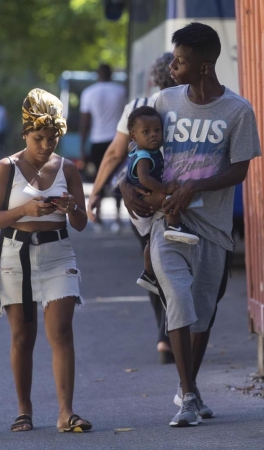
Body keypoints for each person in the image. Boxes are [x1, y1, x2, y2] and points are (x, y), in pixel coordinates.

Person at [121, 22, 261, 427]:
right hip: (168, 222)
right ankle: (186, 399)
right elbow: (137, 154)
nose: (173, 68)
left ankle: (190, 390)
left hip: (212, 228)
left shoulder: (237, 111)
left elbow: (239, 171)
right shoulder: (164, 100)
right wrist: (124, 188)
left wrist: (197, 184)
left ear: (204, 67)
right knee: (179, 300)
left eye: (181, 62)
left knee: (202, 312)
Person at [0, 88, 91, 433]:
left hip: (58, 252)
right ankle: (24, 409)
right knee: (22, 336)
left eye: (53, 137)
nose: (46, 145)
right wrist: (25, 210)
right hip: (15, 256)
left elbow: (81, 223)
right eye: (39, 138)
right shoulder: (7, 168)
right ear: (25, 134)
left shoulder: (68, 168)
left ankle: (65, 412)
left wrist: (70, 206)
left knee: (60, 331)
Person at [88, 53, 177, 363]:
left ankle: (165, 335)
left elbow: (114, 153)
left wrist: (97, 192)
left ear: (153, 79)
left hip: (141, 201)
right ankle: (181, 332)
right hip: (181, 198)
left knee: (155, 263)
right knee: (183, 267)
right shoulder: (189, 106)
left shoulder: (138, 105)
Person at [124, 105, 200, 294]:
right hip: (144, 198)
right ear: (134, 136)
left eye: (157, 130)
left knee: (150, 241)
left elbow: (128, 147)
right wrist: (165, 188)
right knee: (169, 199)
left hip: (143, 198)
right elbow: (144, 178)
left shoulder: (135, 147)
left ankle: (148, 274)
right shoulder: (144, 156)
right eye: (146, 132)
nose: (153, 135)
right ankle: (175, 224)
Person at [79, 63, 126, 231]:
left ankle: (97, 215)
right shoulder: (121, 91)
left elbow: (85, 123)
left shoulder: (89, 93)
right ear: (111, 74)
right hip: (117, 140)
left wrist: (82, 148)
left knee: (99, 178)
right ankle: (118, 217)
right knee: (118, 178)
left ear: (97, 74)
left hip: (97, 141)